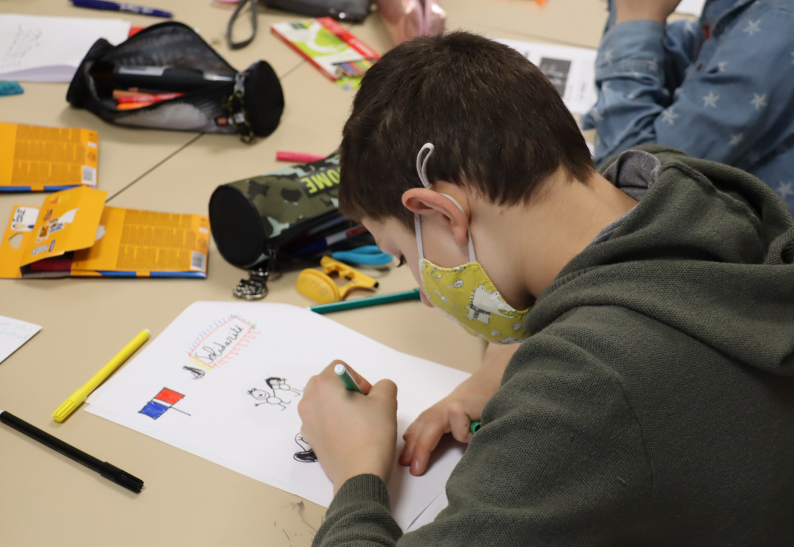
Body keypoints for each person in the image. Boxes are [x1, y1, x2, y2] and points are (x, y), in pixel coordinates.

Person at [297, 31, 794, 545]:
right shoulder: (684, 189)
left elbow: (606, 381)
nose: (424, 292)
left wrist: (355, 470)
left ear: (441, 212)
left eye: (401, 255)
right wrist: (507, 362)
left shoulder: (587, 387)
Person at [582, 0, 794, 212]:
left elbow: (634, 181)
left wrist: (634, 22)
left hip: (745, 236)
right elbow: (692, 54)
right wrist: (636, 19)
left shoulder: (778, 23)